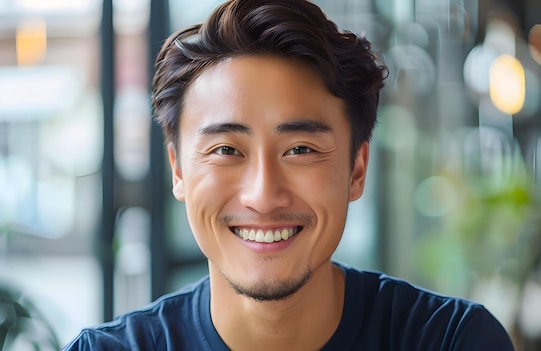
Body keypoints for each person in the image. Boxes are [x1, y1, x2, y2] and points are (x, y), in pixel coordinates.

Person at [64, 0, 515, 350]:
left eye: (300, 149)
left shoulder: (452, 342)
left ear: (357, 168)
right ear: (178, 170)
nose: (263, 195)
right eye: (226, 150)